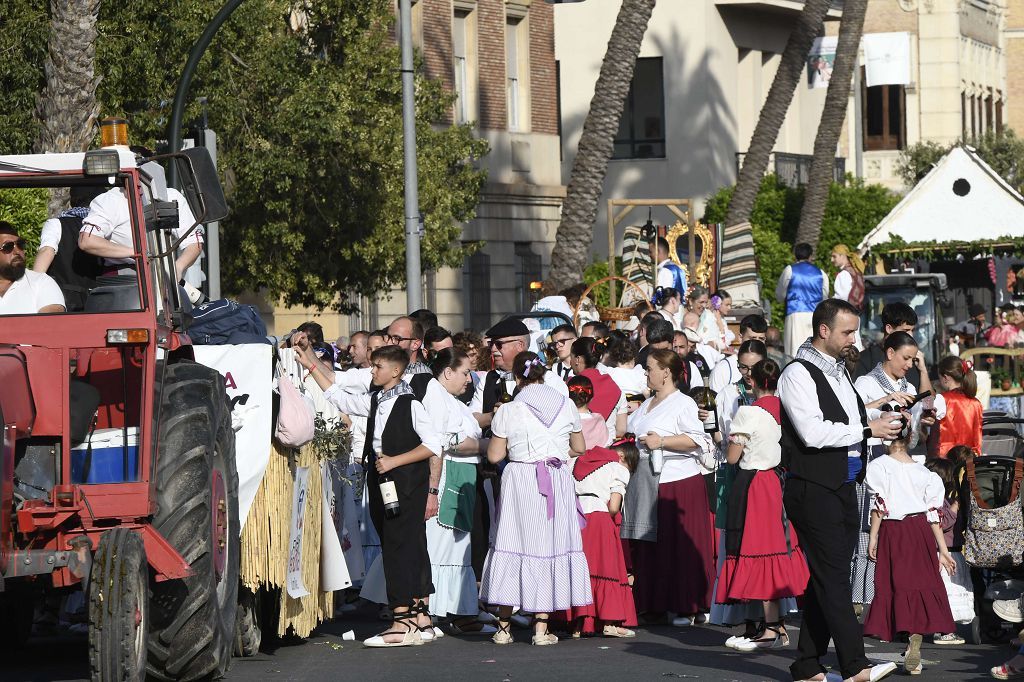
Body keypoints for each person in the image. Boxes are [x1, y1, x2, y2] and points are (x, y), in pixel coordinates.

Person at [778, 298, 902, 682]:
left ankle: (807, 665)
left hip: (845, 486)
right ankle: (855, 666)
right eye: (848, 331)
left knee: (825, 578)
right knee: (833, 579)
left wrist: (878, 417)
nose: (855, 339)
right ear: (824, 331)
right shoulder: (797, 373)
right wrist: (868, 430)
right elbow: (813, 433)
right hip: (813, 487)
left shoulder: (839, 372)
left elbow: (850, 419)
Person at [300, 344, 441, 647]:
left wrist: (394, 460)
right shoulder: (379, 399)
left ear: (395, 371)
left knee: (399, 548)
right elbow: (340, 397)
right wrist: (310, 362)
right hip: (382, 479)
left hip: (405, 482)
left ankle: (402, 621)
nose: (372, 371)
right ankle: (415, 618)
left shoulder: (410, 403)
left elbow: (433, 445)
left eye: (378, 367)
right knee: (395, 545)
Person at [478, 351, 592, 646]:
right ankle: (541, 628)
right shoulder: (566, 404)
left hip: (521, 479)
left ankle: (503, 627)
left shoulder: (510, 409)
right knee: (549, 545)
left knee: (512, 542)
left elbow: (495, 455)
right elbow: (579, 447)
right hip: (555, 477)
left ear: (517, 378)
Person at [717, 359, 809, 652]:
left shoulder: (748, 412)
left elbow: (732, 457)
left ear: (752, 382)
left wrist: (720, 438)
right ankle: (774, 622)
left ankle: (769, 627)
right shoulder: (784, 409)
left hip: (753, 482)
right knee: (772, 548)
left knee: (757, 550)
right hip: (775, 481)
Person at [627, 349, 716, 627]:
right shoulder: (645, 404)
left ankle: (687, 605)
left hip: (679, 482)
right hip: (648, 481)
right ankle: (656, 604)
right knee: (654, 546)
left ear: (666, 372)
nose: (646, 373)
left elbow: (698, 441)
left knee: (680, 546)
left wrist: (662, 442)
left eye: (650, 367)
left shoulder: (683, 403)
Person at [863, 438, 956, 676]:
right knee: (920, 584)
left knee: (895, 585)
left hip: (894, 531)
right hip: (921, 530)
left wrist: (873, 537)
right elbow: (933, 514)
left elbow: (879, 506)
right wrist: (942, 551)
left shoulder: (879, 466)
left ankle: (906, 636)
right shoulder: (925, 473)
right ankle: (914, 639)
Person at [851, 331, 928, 612]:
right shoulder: (866, 382)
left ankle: (888, 595)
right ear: (890, 352)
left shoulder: (907, 383)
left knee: (892, 526)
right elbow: (854, 413)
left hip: (895, 459)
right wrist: (885, 399)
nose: (909, 364)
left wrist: (912, 419)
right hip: (871, 459)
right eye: (906, 358)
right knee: (867, 526)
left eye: (913, 359)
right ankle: (861, 595)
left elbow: (914, 436)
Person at [420, 348, 494, 635]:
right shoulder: (433, 394)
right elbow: (444, 440)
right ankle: (431, 611)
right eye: (464, 373)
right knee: (441, 546)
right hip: (447, 476)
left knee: (459, 547)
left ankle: (461, 611)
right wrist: (489, 447)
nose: (468, 380)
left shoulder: (453, 400)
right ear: (448, 372)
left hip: (464, 476)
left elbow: (472, 423)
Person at [569, 437, 638, 638]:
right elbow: (614, 506)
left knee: (581, 569)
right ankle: (609, 623)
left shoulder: (575, 462)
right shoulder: (617, 468)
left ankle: (578, 623)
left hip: (574, 516)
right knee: (606, 568)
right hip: (599, 516)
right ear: (622, 456)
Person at [80, 185, 203, 281]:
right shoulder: (109, 200)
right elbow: (87, 241)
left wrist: (178, 267)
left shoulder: (171, 196)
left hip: (166, 276)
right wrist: (137, 253)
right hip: (124, 279)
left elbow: (194, 242)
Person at [924, 457, 970, 646]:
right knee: (948, 593)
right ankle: (944, 631)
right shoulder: (938, 499)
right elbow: (942, 522)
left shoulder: (936, 497)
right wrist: (954, 508)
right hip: (944, 553)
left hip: (946, 551)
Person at [775, 243, 828, 360]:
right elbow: (825, 296)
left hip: (794, 314)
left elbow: (780, 294)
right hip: (814, 315)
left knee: (793, 350)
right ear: (810, 256)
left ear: (795, 255)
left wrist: (782, 300)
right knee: (814, 350)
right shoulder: (821, 273)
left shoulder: (789, 270)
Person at [570, 337, 627, 446]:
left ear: (577, 360)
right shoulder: (615, 387)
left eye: (571, 357)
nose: (570, 361)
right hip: (606, 452)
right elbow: (621, 430)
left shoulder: (571, 387)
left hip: (577, 451)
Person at [0, 223, 65, 315]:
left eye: (20, 245)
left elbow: (52, 326)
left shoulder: (42, 282)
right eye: (8, 247)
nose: (17, 251)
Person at [930, 357, 983, 458]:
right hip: (970, 460)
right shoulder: (976, 403)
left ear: (945, 378)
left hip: (946, 461)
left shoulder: (942, 400)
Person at [709, 314, 769, 393]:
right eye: (752, 338)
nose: (756, 343)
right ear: (740, 338)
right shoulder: (723, 369)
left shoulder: (769, 367)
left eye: (761, 339)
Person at [568, 375, 609, 450]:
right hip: (596, 460)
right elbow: (605, 445)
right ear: (591, 398)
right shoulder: (599, 420)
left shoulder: (565, 420)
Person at [830, 244, 865, 311]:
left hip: (846, 313)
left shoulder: (844, 274)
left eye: (834, 256)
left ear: (842, 256)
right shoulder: (855, 270)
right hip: (858, 312)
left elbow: (841, 298)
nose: (832, 260)